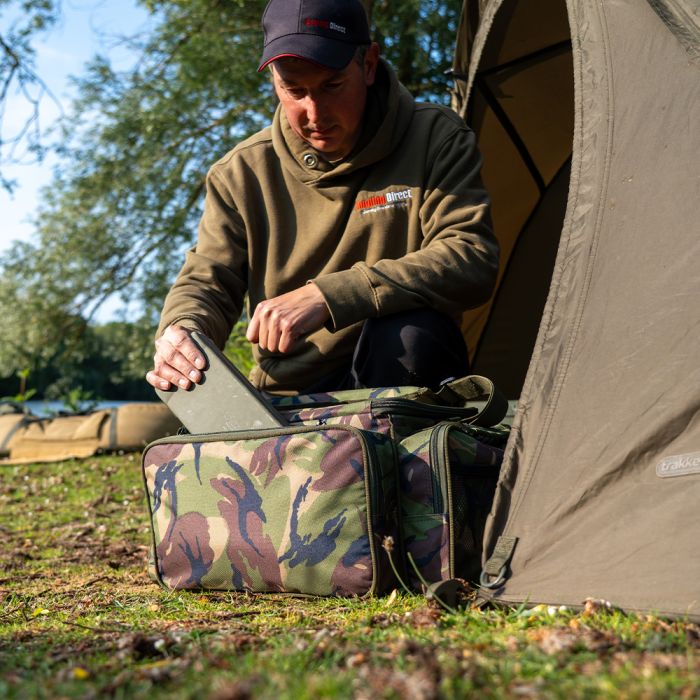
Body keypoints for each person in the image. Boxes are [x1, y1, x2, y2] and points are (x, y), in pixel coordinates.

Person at [146, 0, 498, 396]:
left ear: (368, 65)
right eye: (294, 91)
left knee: (413, 333)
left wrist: (327, 296)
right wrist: (183, 330)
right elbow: (207, 280)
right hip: (291, 392)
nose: (314, 113)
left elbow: (469, 256)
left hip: (401, 372)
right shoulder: (240, 172)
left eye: (332, 86)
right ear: (274, 82)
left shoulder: (437, 138)